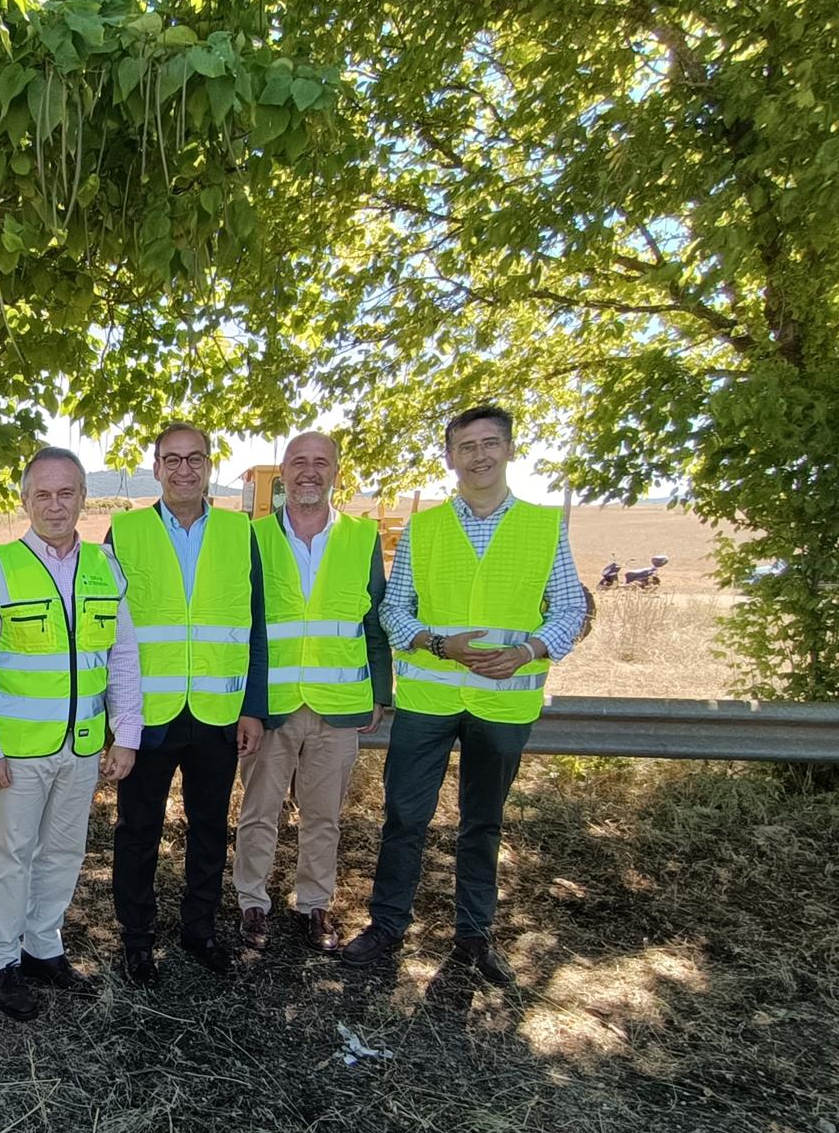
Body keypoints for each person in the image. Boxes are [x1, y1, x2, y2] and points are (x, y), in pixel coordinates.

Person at [342, 404, 585, 985]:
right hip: (429, 702)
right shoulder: (423, 528)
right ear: (450, 457)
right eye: (466, 445)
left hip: (504, 704)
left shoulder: (544, 525)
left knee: (483, 822)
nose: (479, 454)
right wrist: (436, 642)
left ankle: (474, 938)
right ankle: (387, 926)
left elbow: (572, 608)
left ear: (508, 449)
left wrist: (529, 651)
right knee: (404, 816)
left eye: (490, 443)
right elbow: (393, 610)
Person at [0, 447, 142, 1021]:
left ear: (85, 498)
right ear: (24, 501)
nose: (56, 505)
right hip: (16, 752)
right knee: (11, 854)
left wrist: (127, 733)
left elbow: (123, 659)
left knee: (64, 851)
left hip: (83, 745)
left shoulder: (105, 568)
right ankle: (2, 962)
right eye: (43, 494)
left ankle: (44, 947)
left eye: (67, 493)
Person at [105, 422, 268, 983]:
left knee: (207, 830)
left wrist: (252, 706)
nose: (183, 470)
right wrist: (115, 715)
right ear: (156, 468)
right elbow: (107, 630)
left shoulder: (239, 532)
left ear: (209, 466)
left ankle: (200, 931)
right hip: (148, 714)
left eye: (194, 459)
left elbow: (256, 628)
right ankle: (137, 939)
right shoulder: (123, 533)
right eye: (170, 460)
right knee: (138, 829)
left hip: (219, 715)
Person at [232, 431, 392, 953]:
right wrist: (245, 702)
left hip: (339, 704)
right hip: (270, 706)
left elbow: (374, 619)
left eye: (320, 462)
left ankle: (314, 905)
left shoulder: (362, 538)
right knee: (259, 810)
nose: (309, 471)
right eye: (298, 462)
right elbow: (241, 621)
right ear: (282, 471)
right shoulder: (251, 536)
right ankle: (251, 902)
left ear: (336, 473)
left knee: (324, 816)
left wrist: (379, 689)